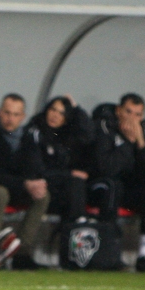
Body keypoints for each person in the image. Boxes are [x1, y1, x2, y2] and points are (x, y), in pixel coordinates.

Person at [0, 93, 50, 270]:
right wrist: (24, 183)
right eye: (7, 113)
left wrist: (35, 184)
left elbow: (35, 166)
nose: (11, 119)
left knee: (42, 195)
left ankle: (22, 253)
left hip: (15, 187)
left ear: (23, 117)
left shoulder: (27, 136)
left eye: (16, 114)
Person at [88, 93, 145, 272]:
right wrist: (126, 143)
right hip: (100, 186)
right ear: (118, 111)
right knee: (112, 186)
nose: (133, 119)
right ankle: (110, 251)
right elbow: (106, 169)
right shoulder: (105, 127)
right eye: (128, 112)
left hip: (129, 190)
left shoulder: (143, 131)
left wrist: (140, 142)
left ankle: (144, 253)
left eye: (138, 114)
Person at [23, 95, 94, 225]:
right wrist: (69, 174)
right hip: (37, 187)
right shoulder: (34, 132)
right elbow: (37, 170)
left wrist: (77, 108)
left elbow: (89, 135)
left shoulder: (64, 135)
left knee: (77, 185)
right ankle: (77, 225)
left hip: (58, 186)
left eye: (61, 113)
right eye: (53, 110)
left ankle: (77, 225)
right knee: (75, 183)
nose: (55, 115)